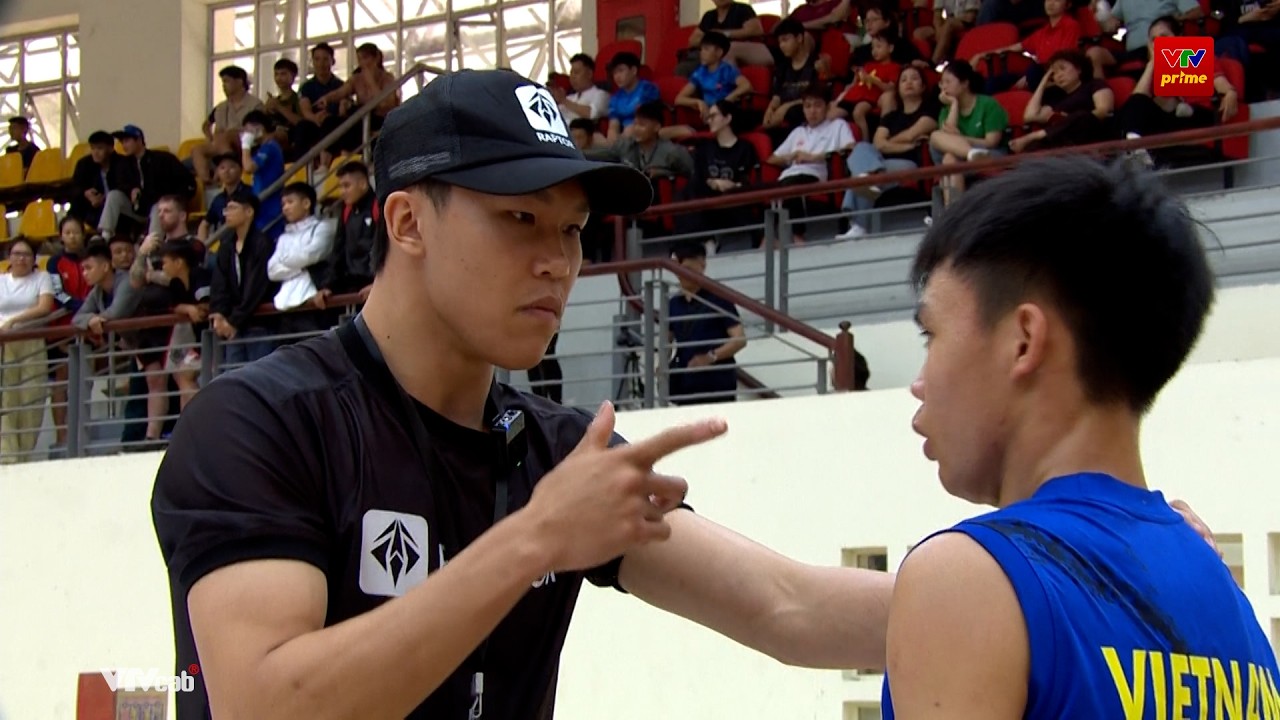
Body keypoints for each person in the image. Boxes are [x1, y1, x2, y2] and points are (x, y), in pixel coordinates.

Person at [150, 69, 1223, 720]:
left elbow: (789, 608)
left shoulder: (553, 451)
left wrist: (1059, 580)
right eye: (518, 222)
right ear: (405, 223)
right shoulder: (260, 422)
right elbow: (266, 702)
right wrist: (531, 542)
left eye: (572, 230)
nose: (557, 262)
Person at [882, 156, 1280, 718]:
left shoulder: (969, 577)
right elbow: (791, 607)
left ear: (1023, 340)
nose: (919, 383)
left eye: (931, 335)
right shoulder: (1227, 599)